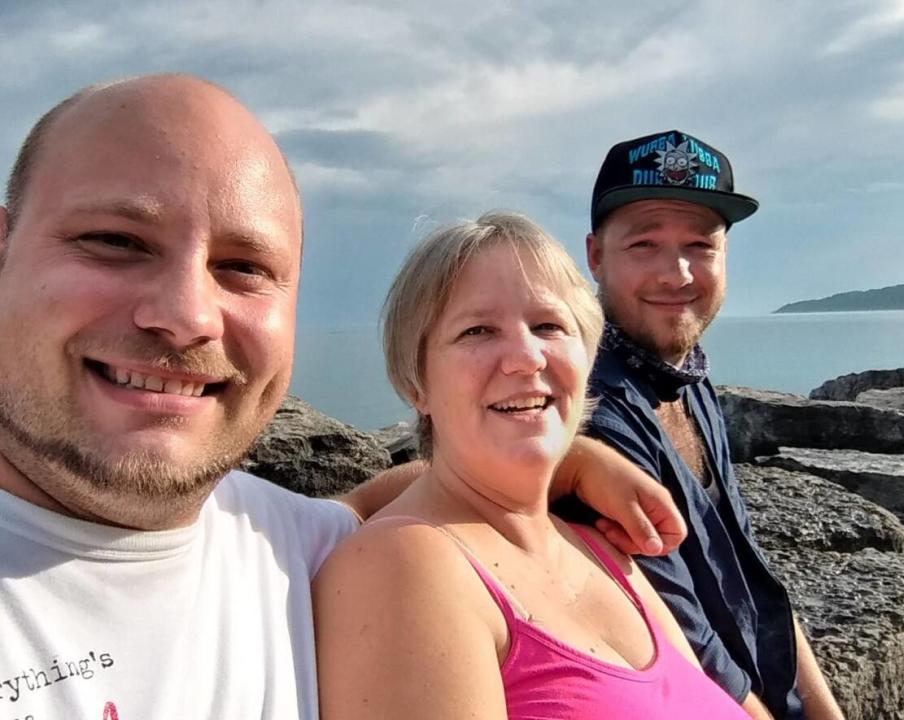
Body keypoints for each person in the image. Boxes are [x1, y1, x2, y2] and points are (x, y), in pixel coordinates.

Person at [0, 76, 684, 719]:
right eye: (114, 242)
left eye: (243, 267)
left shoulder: (295, 541)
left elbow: (422, 493)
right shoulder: (375, 567)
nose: (187, 315)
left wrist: (568, 461)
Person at [316, 212, 753, 720]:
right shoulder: (403, 564)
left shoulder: (603, 551)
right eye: (477, 330)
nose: (526, 357)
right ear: (417, 382)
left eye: (548, 325)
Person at [582, 130, 844, 719]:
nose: (676, 274)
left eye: (700, 245)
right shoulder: (585, 409)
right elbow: (683, 641)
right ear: (596, 255)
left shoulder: (689, 376)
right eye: (645, 243)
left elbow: (749, 568)